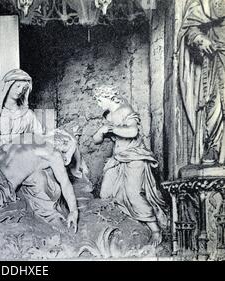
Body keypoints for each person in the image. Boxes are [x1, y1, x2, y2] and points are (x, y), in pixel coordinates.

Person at [92, 86, 168, 246]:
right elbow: (96, 140)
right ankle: (123, 226)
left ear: (108, 97)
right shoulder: (108, 115)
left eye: (100, 100)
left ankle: (155, 229)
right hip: (117, 159)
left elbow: (133, 132)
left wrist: (111, 128)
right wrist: (100, 132)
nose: (98, 104)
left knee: (133, 194)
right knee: (106, 194)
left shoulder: (125, 109)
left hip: (134, 157)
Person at [178, 0, 225, 164]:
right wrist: (200, 39)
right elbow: (190, 26)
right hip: (216, 56)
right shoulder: (204, 2)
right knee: (214, 102)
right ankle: (214, 145)